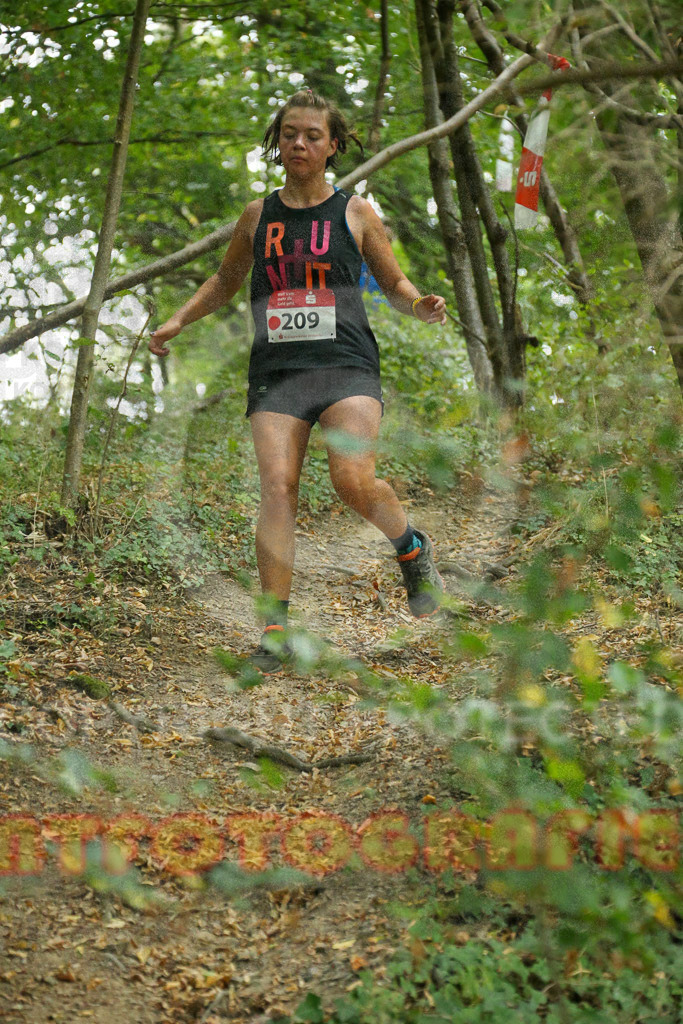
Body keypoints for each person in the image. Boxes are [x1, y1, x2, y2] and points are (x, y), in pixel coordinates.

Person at [149, 89, 446, 673]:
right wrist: (180, 318)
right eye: (289, 134)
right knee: (278, 488)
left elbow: (394, 284)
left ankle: (411, 547)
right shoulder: (258, 216)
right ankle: (275, 633)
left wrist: (421, 305)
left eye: (312, 135)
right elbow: (225, 280)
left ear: (334, 145)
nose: (299, 144)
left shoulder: (356, 213)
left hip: (346, 365)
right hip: (278, 370)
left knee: (352, 481)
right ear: (277, 142)